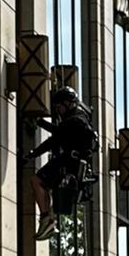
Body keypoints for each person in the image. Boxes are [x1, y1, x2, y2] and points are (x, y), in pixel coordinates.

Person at [30, 85, 99, 241]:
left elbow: (54, 139)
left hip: (67, 162)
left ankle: (46, 218)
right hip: (74, 165)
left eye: (59, 106)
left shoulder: (74, 121)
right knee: (45, 185)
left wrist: (33, 154)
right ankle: (48, 219)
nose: (58, 110)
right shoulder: (82, 120)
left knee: (36, 181)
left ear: (68, 104)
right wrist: (41, 123)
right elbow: (59, 132)